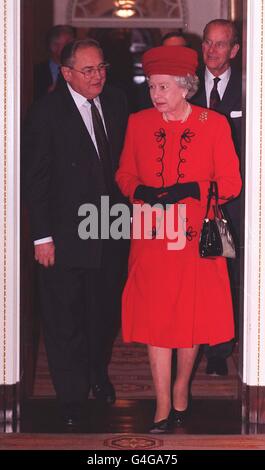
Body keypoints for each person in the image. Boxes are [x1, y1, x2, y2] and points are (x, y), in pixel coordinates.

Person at [116, 45, 242, 433]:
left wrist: (195, 187)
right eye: (153, 86)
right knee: (156, 321)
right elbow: (123, 175)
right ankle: (162, 404)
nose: (156, 95)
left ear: (186, 87)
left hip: (195, 238)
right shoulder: (138, 122)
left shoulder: (214, 124)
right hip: (153, 237)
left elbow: (233, 184)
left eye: (164, 87)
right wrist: (142, 191)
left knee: (190, 318)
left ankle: (182, 387)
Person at [23, 38, 128, 427]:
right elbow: (35, 180)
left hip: (110, 230)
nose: (97, 76)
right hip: (64, 237)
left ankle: (97, 377)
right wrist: (41, 237)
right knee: (64, 319)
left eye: (101, 67)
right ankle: (71, 396)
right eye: (88, 70)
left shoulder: (116, 101)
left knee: (101, 315)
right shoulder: (45, 113)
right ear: (66, 73)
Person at [191, 19, 242, 376]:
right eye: (208, 43)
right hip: (194, 197)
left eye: (220, 44)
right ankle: (199, 340)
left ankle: (221, 350)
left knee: (230, 270)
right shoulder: (188, 86)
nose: (212, 50)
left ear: (234, 50)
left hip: (237, 198)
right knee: (200, 271)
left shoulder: (251, 87)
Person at [34, 24, 76, 100]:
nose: (73, 47)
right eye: (68, 43)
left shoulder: (78, 67)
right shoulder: (37, 71)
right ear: (53, 46)